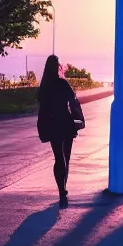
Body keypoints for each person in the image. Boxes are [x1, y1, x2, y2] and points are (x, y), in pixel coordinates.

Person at [37, 55, 85, 208]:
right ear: (57, 66)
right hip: (65, 122)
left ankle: (61, 190)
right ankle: (63, 189)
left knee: (58, 158)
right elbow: (72, 100)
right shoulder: (62, 83)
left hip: (51, 124)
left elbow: (41, 105)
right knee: (66, 157)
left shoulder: (44, 86)